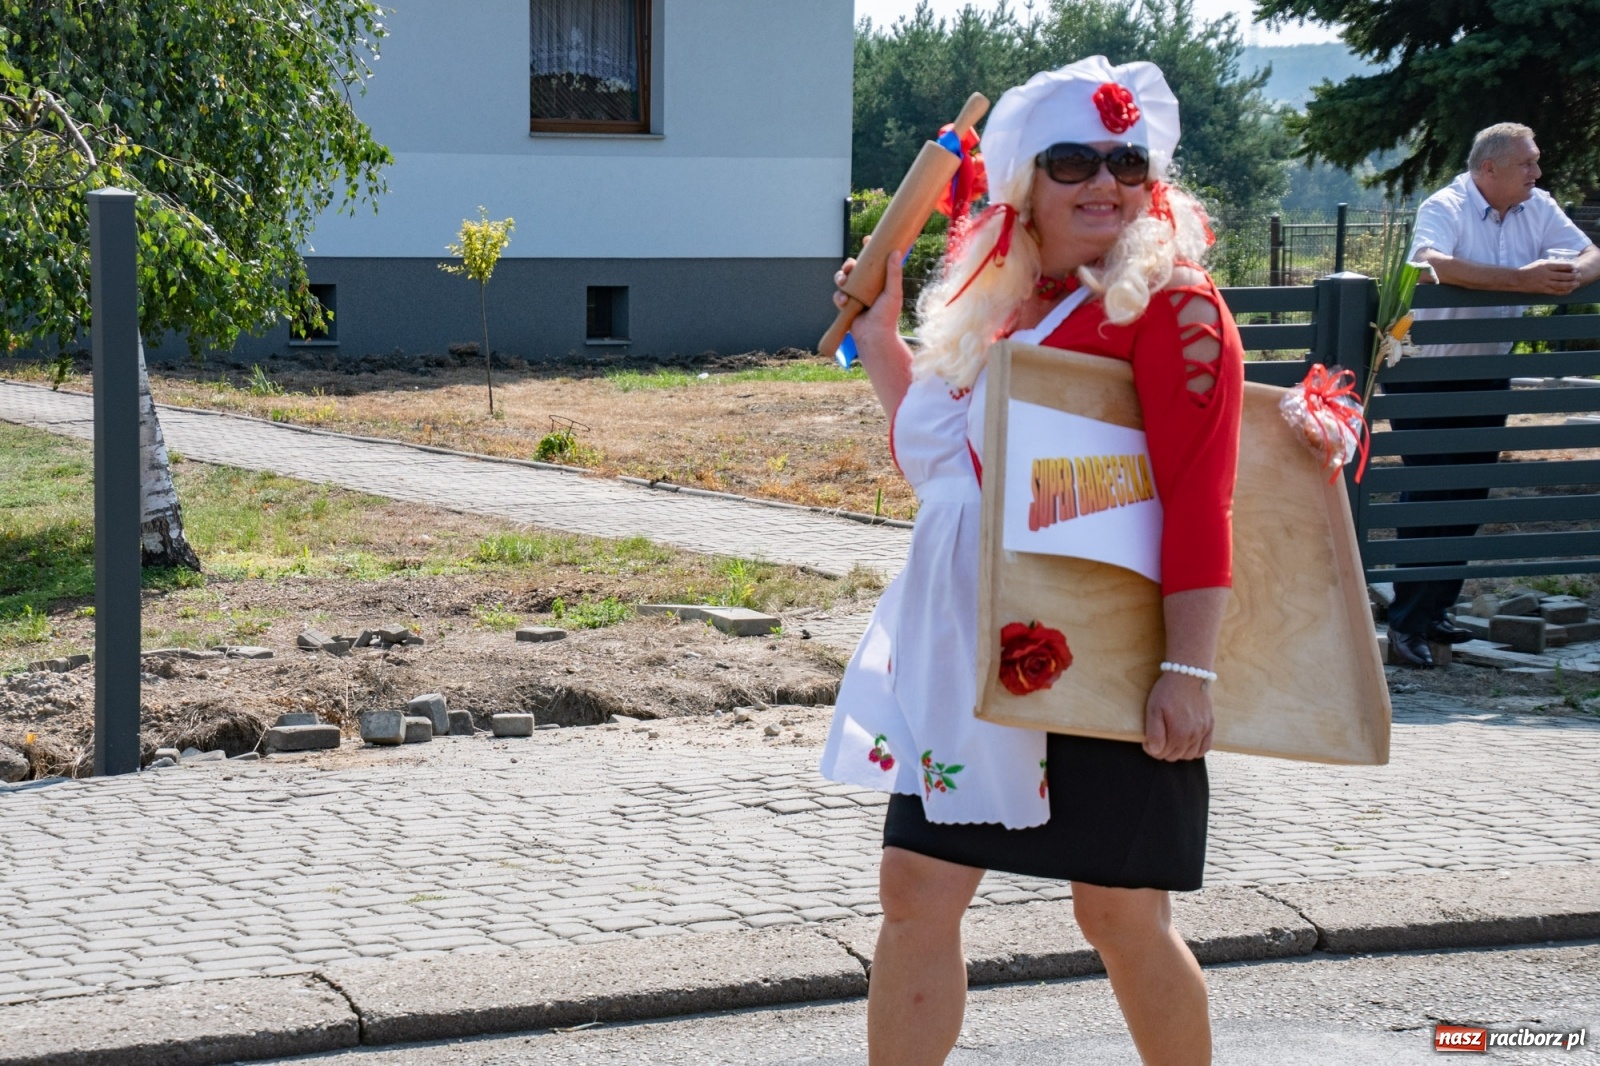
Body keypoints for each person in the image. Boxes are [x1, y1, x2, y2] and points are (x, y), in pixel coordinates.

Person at [818, 56, 1243, 1066]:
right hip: (966, 652)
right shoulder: (1002, 305)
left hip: (1100, 649)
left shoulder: (1173, 307)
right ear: (1022, 185)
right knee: (915, 891)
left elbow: (1200, 498)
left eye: (1126, 162)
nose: (1105, 182)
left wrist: (1188, 669)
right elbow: (953, 475)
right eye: (1072, 162)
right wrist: (881, 336)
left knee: (1119, 913)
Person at [1388, 123, 1599, 668]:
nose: (1537, 172)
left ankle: (1435, 611)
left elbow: (1593, 253)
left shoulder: (1537, 205)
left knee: (1469, 493)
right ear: (1489, 169)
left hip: (1485, 370)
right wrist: (1521, 280)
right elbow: (1426, 264)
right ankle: (1405, 624)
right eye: (1527, 163)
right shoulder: (1446, 204)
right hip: (1424, 371)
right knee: (1430, 492)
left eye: (1536, 161)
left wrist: (1567, 275)